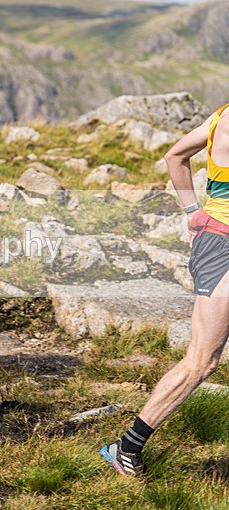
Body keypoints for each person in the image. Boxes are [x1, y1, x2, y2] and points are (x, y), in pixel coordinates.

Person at [100, 103, 229, 476]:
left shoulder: (220, 114)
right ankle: (126, 447)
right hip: (221, 247)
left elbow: (175, 156)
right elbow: (173, 156)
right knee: (202, 360)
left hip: (212, 235)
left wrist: (192, 211)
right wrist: (194, 213)